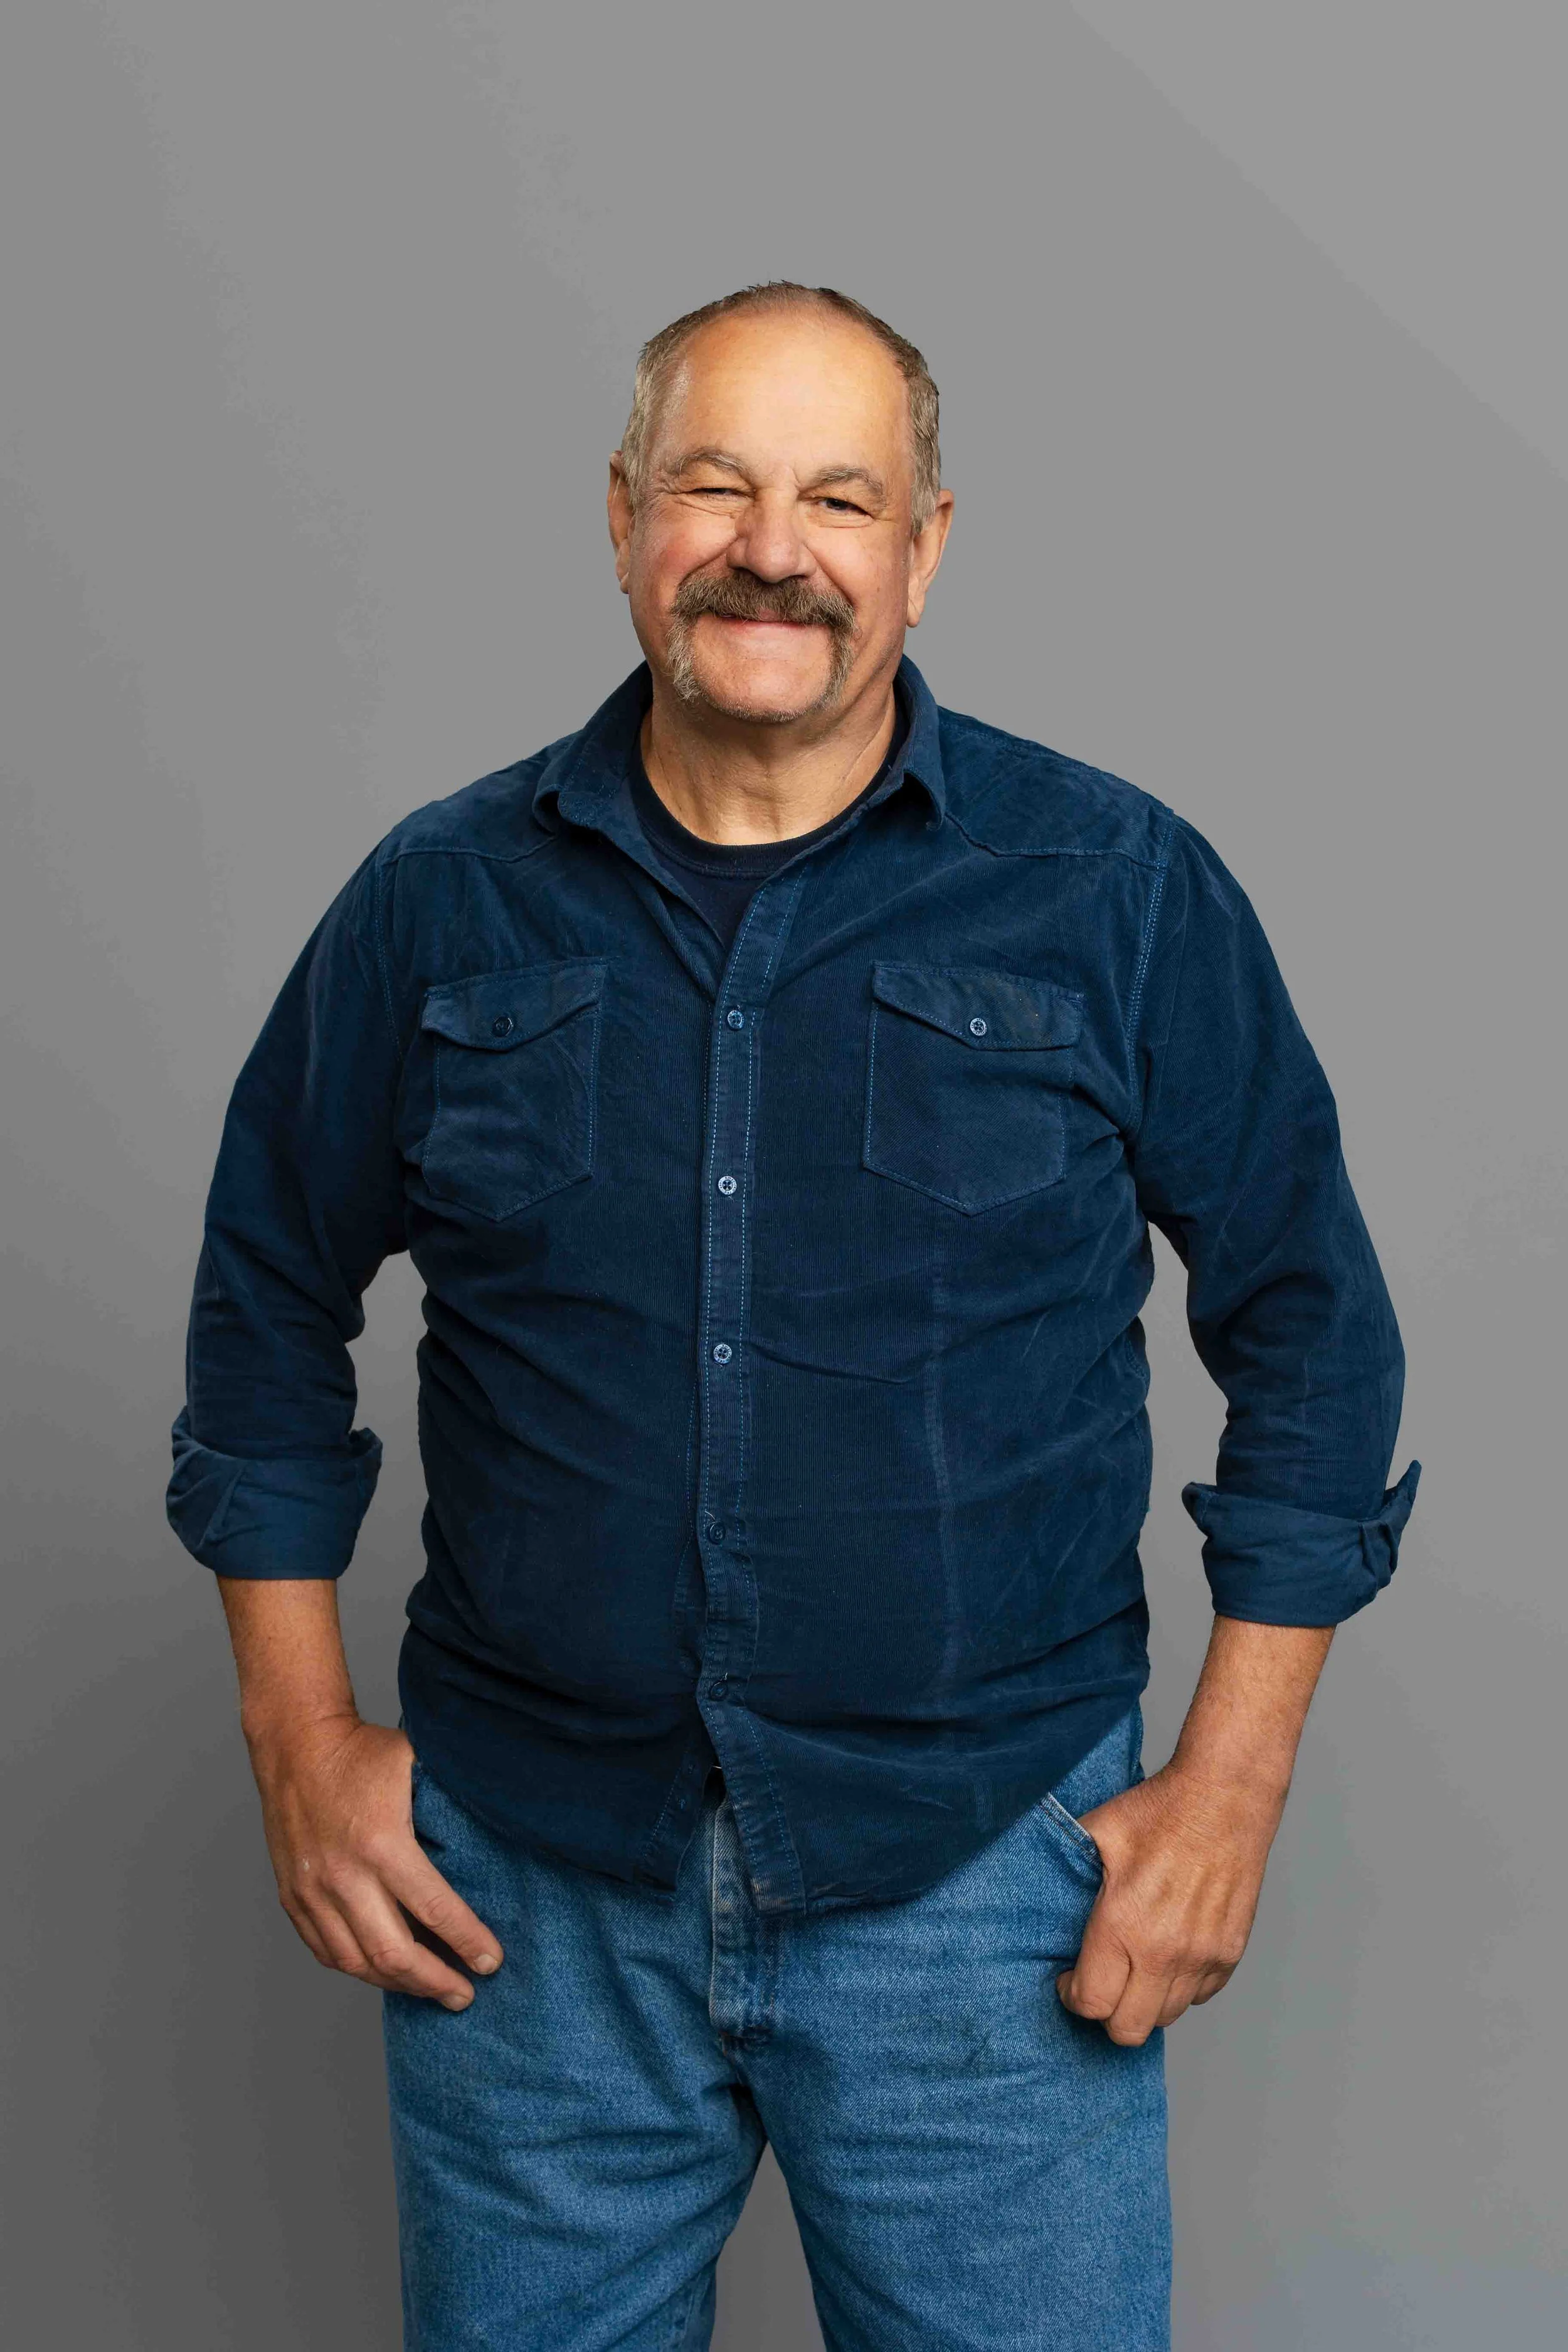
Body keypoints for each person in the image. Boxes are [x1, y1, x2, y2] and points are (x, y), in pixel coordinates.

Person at [167, 281, 1418, 2352]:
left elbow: (1314, 1336)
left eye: (839, 498)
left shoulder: (1114, 888)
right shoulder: (438, 897)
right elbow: (262, 1310)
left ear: (924, 546)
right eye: (714, 485)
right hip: (526, 1901)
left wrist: (1229, 1789)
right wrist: (298, 1746)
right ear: (620, 517)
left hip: (987, 1888)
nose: (772, 549)